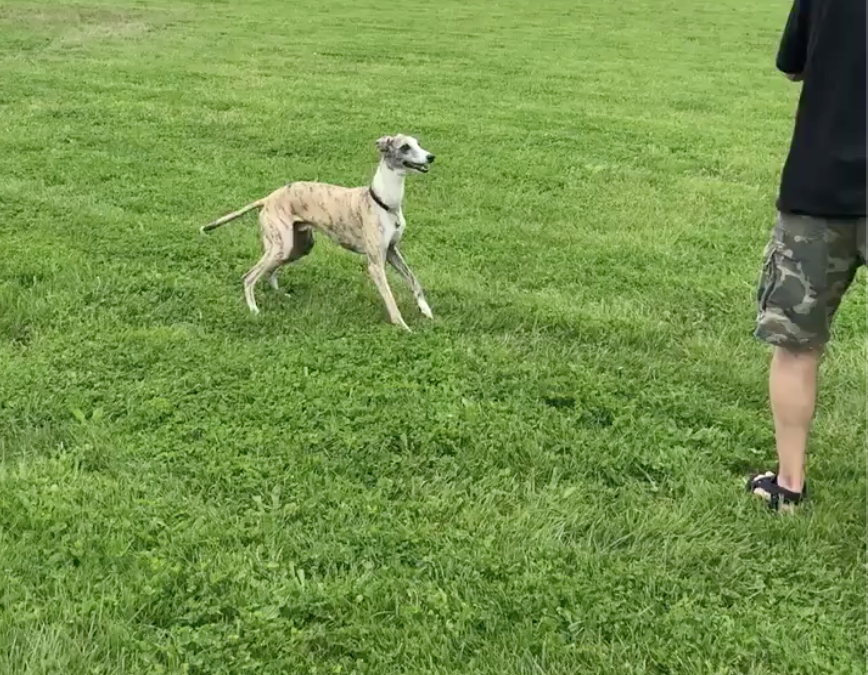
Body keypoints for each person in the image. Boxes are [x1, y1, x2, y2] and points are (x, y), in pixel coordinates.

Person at [747, 0, 866, 512]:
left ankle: (788, 486)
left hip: (819, 187)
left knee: (796, 345)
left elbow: (794, 64)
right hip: (818, 188)